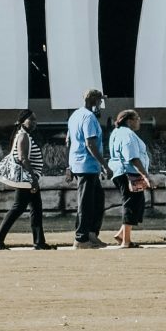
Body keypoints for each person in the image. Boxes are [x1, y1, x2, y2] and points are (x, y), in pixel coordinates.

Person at [0, 113, 53, 250]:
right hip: (26, 179)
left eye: (36, 119)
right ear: (22, 121)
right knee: (18, 207)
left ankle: (39, 242)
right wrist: (33, 180)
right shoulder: (23, 136)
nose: (35, 122)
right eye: (31, 119)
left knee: (36, 209)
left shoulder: (25, 135)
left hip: (29, 179)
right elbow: (23, 158)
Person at [66, 88, 109, 247]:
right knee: (85, 203)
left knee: (97, 201)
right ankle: (81, 238)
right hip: (86, 165)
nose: (100, 104)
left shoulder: (74, 115)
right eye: (100, 101)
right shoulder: (89, 117)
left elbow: (68, 141)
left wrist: (68, 165)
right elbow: (90, 143)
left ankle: (91, 233)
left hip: (81, 164)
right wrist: (105, 165)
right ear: (94, 101)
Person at [107, 109, 154, 249]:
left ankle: (122, 234)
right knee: (130, 203)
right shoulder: (127, 134)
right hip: (129, 173)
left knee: (137, 203)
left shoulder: (116, 132)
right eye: (137, 118)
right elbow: (133, 158)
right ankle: (125, 242)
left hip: (121, 172)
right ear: (129, 120)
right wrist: (146, 176)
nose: (139, 121)